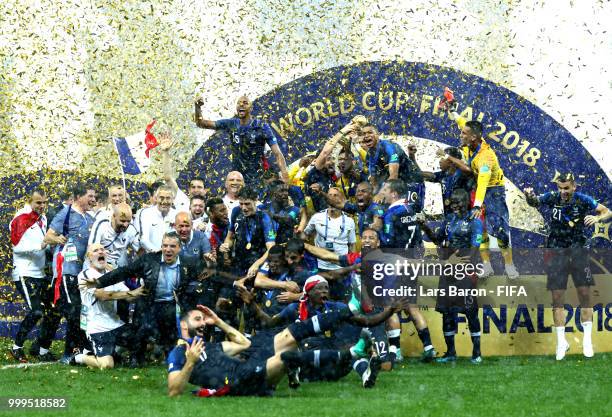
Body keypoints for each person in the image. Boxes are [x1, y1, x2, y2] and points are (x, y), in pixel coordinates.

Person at [166, 300, 400, 397]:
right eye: (198, 319)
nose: (203, 323)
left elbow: (243, 344)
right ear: (184, 325)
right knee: (287, 357)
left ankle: (347, 310)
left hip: (248, 368)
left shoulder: (210, 345)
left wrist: (218, 322)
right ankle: (350, 354)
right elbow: (174, 390)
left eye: (204, 319)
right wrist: (190, 362)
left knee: (292, 333)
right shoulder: (179, 353)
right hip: (237, 382)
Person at [524, 172, 611, 360]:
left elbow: (607, 211)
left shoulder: (583, 200)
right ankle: (561, 343)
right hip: (557, 252)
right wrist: (529, 197)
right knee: (557, 298)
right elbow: (534, 202)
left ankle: (587, 341)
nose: (563, 192)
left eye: (566, 188)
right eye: (560, 188)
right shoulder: (552, 197)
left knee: (585, 295)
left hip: (578, 250)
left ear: (574, 187)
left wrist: (597, 219)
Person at [84, 232, 203, 366]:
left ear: (179, 248)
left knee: (170, 334)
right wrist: (99, 282)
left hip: (169, 304)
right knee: (140, 331)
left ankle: (169, 357)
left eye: (172, 246)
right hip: (148, 302)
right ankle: (136, 358)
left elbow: (196, 281)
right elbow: (124, 272)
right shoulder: (148, 260)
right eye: (165, 246)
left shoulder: (188, 263)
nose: (168, 249)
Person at [446, 119, 518, 278]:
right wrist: (452, 111)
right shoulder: (472, 142)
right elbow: (462, 123)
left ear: (473, 137)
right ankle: (487, 266)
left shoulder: (486, 157)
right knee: (480, 226)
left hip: (493, 192)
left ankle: (509, 265)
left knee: (500, 231)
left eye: (464, 133)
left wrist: (478, 205)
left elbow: (484, 182)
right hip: (476, 189)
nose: (460, 134)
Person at [420, 189, 484, 364]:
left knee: (470, 311)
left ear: (466, 203)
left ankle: (477, 352)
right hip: (448, 271)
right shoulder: (449, 220)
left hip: (466, 271)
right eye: (452, 203)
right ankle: (450, 353)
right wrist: (424, 226)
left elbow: (474, 248)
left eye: (458, 203)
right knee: (447, 312)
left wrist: (460, 260)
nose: (454, 206)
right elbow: (437, 240)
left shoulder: (474, 221)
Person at [44, 184, 96, 364]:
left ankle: (75, 350)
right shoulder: (65, 214)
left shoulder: (90, 218)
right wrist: (57, 238)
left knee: (79, 312)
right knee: (74, 312)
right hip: (66, 271)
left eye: (94, 197)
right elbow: (47, 237)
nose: (93, 200)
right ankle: (69, 354)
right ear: (79, 197)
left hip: (83, 274)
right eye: (90, 196)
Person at [74, 244, 146, 369]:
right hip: (98, 328)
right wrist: (131, 292)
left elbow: (128, 297)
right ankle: (79, 357)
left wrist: (143, 290)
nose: (100, 252)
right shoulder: (85, 275)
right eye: (95, 250)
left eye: (102, 249)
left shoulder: (112, 275)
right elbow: (103, 295)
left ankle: (113, 352)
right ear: (89, 257)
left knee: (145, 344)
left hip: (116, 324)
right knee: (107, 366)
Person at [195, 95, 289, 188]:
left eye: (245, 103)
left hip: (258, 178)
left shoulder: (261, 126)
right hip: (238, 179)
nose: (241, 105)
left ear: (251, 108)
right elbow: (201, 123)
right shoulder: (231, 124)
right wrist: (197, 107)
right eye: (238, 103)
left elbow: (277, 153)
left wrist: (285, 177)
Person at [9, 190, 57, 362]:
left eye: (44, 202)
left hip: (40, 273)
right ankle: (17, 347)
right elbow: (17, 247)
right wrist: (43, 244)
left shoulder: (42, 218)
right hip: (24, 273)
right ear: (29, 201)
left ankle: (43, 350)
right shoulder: (21, 218)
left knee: (54, 311)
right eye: (38, 202)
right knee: (37, 311)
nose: (42, 206)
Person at [303, 187, 357, 300]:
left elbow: (352, 245)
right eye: (330, 195)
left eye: (335, 195)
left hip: (340, 268)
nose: (331, 198)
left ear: (342, 199)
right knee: (321, 299)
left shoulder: (349, 221)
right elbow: (305, 235)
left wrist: (352, 268)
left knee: (342, 299)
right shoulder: (317, 217)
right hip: (321, 267)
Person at [357, 123, 422, 202]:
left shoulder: (389, 147)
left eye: (370, 132)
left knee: (406, 210)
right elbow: (374, 183)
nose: (366, 136)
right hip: (398, 185)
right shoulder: (370, 156)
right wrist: (370, 198)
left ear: (378, 134)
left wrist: (381, 194)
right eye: (364, 134)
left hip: (413, 181)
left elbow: (394, 175)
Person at [220, 188, 276, 278]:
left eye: (247, 204)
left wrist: (256, 265)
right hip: (239, 262)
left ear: (255, 200)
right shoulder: (236, 211)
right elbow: (230, 237)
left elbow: (271, 248)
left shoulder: (264, 217)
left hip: (257, 264)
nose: (244, 208)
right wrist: (226, 245)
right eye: (241, 204)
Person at [423, 147, 474, 215]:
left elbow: (468, 169)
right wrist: (412, 158)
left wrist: (446, 155)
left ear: (451, 162)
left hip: (463, 217)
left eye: (442, 158)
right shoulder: (443, 174)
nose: (440, 161)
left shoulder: (461, 174)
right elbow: (422, 175)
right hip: (449, 215)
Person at [88, 203, 139, 268]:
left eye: (128, 221)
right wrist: (109, 270)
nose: (126, 225)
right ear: (114, 216)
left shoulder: (131, 229)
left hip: (117, 268)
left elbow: (140, 249)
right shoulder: (102, 224)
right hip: (97, 266)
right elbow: (92, 251)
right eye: (122, 221)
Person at [379, 179, 422, 249]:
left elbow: (388, 241)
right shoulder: (410, 209)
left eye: (385, 190)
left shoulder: (390, 215)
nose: (382, 193)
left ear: (393, 194)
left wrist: (379, 229)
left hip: (397, 256)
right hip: (414, 255)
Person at [258, 180, 300, 244]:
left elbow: (288, 219)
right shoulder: (262, 207)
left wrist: (271, 215)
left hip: (286, 248)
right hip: (267, 248)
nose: (286, 193)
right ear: (273, 193)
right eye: (282, 191)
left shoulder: (294, 209)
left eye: (286, 190)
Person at [138, 185, 177, 253]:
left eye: (168, 198)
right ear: (156, 198)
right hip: (152, 256)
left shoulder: (177, 215)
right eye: (161, 198)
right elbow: (143, 240)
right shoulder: (146, 213)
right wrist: (157, 251)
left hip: (172, 255)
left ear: (173, 199)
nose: (164, 202)